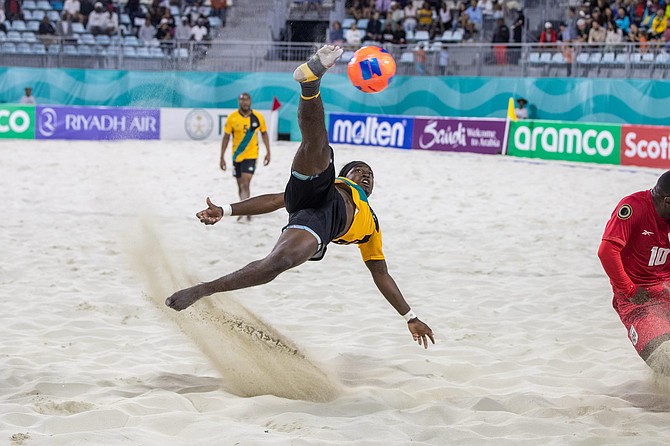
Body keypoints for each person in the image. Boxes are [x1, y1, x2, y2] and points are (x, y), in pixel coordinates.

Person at [165, 45, 435, 349]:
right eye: (359, 170)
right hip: (321, 189)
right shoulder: (339, 181)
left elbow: (381, 274)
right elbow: (277, 199)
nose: (365, 175)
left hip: (320, 220)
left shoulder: (371, 225)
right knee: (316, 147)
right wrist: (226, 210)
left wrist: (410, 316)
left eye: (369, 175)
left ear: (371, 191)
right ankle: (311, 82)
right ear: (348, 175)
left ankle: (203, 290)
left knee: (278, 263)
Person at [598, 171, 670, 375]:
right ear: (667, 202)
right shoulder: (633, 207)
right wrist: (629, 289)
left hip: (667, 289)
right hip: (639, 298)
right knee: (663, 358)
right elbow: (606, 252)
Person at [219, 92, 271, 218]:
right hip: (236, 156)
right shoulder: (232, 118)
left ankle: (246, 212)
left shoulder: (258, 117)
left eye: (247, 100)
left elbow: (264, 134)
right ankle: (243, 207)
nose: (245, 102)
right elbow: (226, 138)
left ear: (250, 101)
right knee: (239, 185)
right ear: (238, 102)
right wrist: (222, 157)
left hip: (252, 155)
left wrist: (268, 152)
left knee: (246, 182)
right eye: (242, 100)